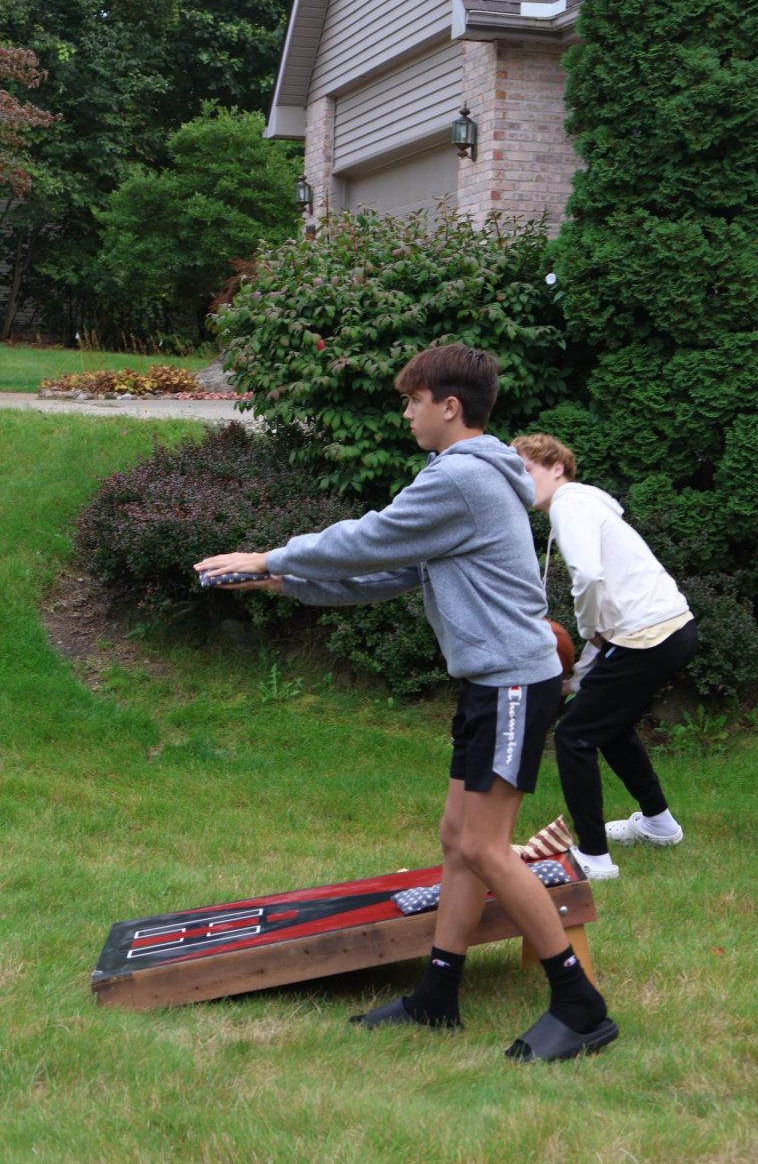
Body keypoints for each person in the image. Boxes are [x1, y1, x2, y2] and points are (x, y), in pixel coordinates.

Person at [196, 345, 618, 1063]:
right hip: (494, 683)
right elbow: (391, 569)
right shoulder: (463, 478)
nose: (405, 413)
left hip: (513, 682)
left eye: (411, 400)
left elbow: (370, 538)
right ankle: (437, 996)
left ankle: (581, 1007)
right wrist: (283, 585)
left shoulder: (459, 478)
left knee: (484, 847)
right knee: (459, 842)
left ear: (448, 406)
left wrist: (272, 556)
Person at [512, 433, 698, 881]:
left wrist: (585, 633)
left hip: (649, 635)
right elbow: (604, 611)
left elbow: (589, 576)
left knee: (575, 735)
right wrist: (582, 669)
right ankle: (659, 824)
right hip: (663, 631)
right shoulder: (582, 505)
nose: (520, 480)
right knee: (607, 726)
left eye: (528, 469)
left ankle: (593, 859)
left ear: (557, 466)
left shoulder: (569, 504)